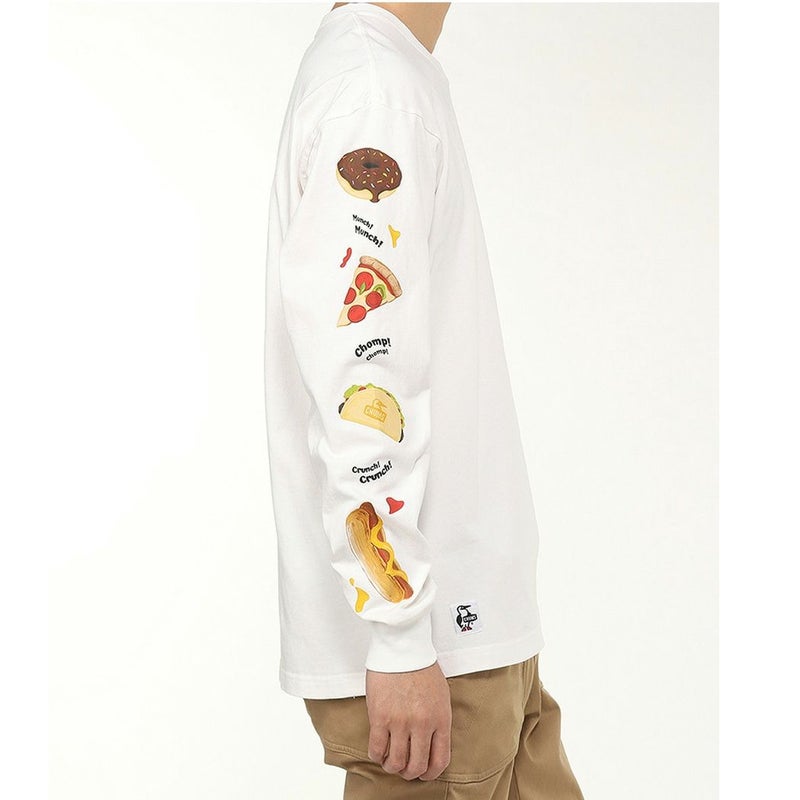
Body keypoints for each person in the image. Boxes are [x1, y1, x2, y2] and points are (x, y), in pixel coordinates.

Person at [263, 2, 585, 796]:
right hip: (434, 654)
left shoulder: (390, 74)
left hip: (471, 637)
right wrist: (401, 634)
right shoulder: (374, 91)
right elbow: (362, 382)